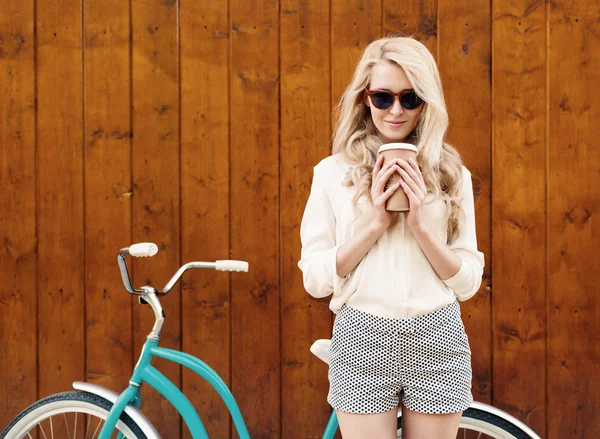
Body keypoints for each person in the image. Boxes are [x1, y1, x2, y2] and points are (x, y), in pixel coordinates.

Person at [298, 36, 485, 439]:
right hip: (362, 332)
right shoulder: (332, 173)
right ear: (365, 98)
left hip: (438, 332)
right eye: (383, 98)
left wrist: (420, 225)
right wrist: (375, 224)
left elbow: (468, 281)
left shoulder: (453, 174)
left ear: (426, 102)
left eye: (410, 98)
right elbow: (314, 277)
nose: (396, 110)